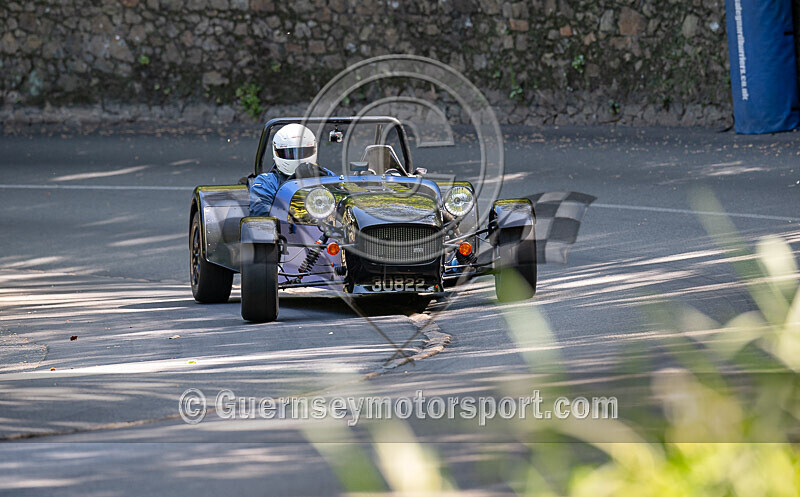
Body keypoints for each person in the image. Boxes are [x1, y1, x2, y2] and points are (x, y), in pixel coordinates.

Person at [249, 123, 334, 216]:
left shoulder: (326, 175)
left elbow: (343, 205)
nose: (297, 158)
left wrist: (325, 183)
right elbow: (261, 215)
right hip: (286, 229)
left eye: (303, 152)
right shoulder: (266, 182)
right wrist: (291, 183)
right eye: (290, 153)